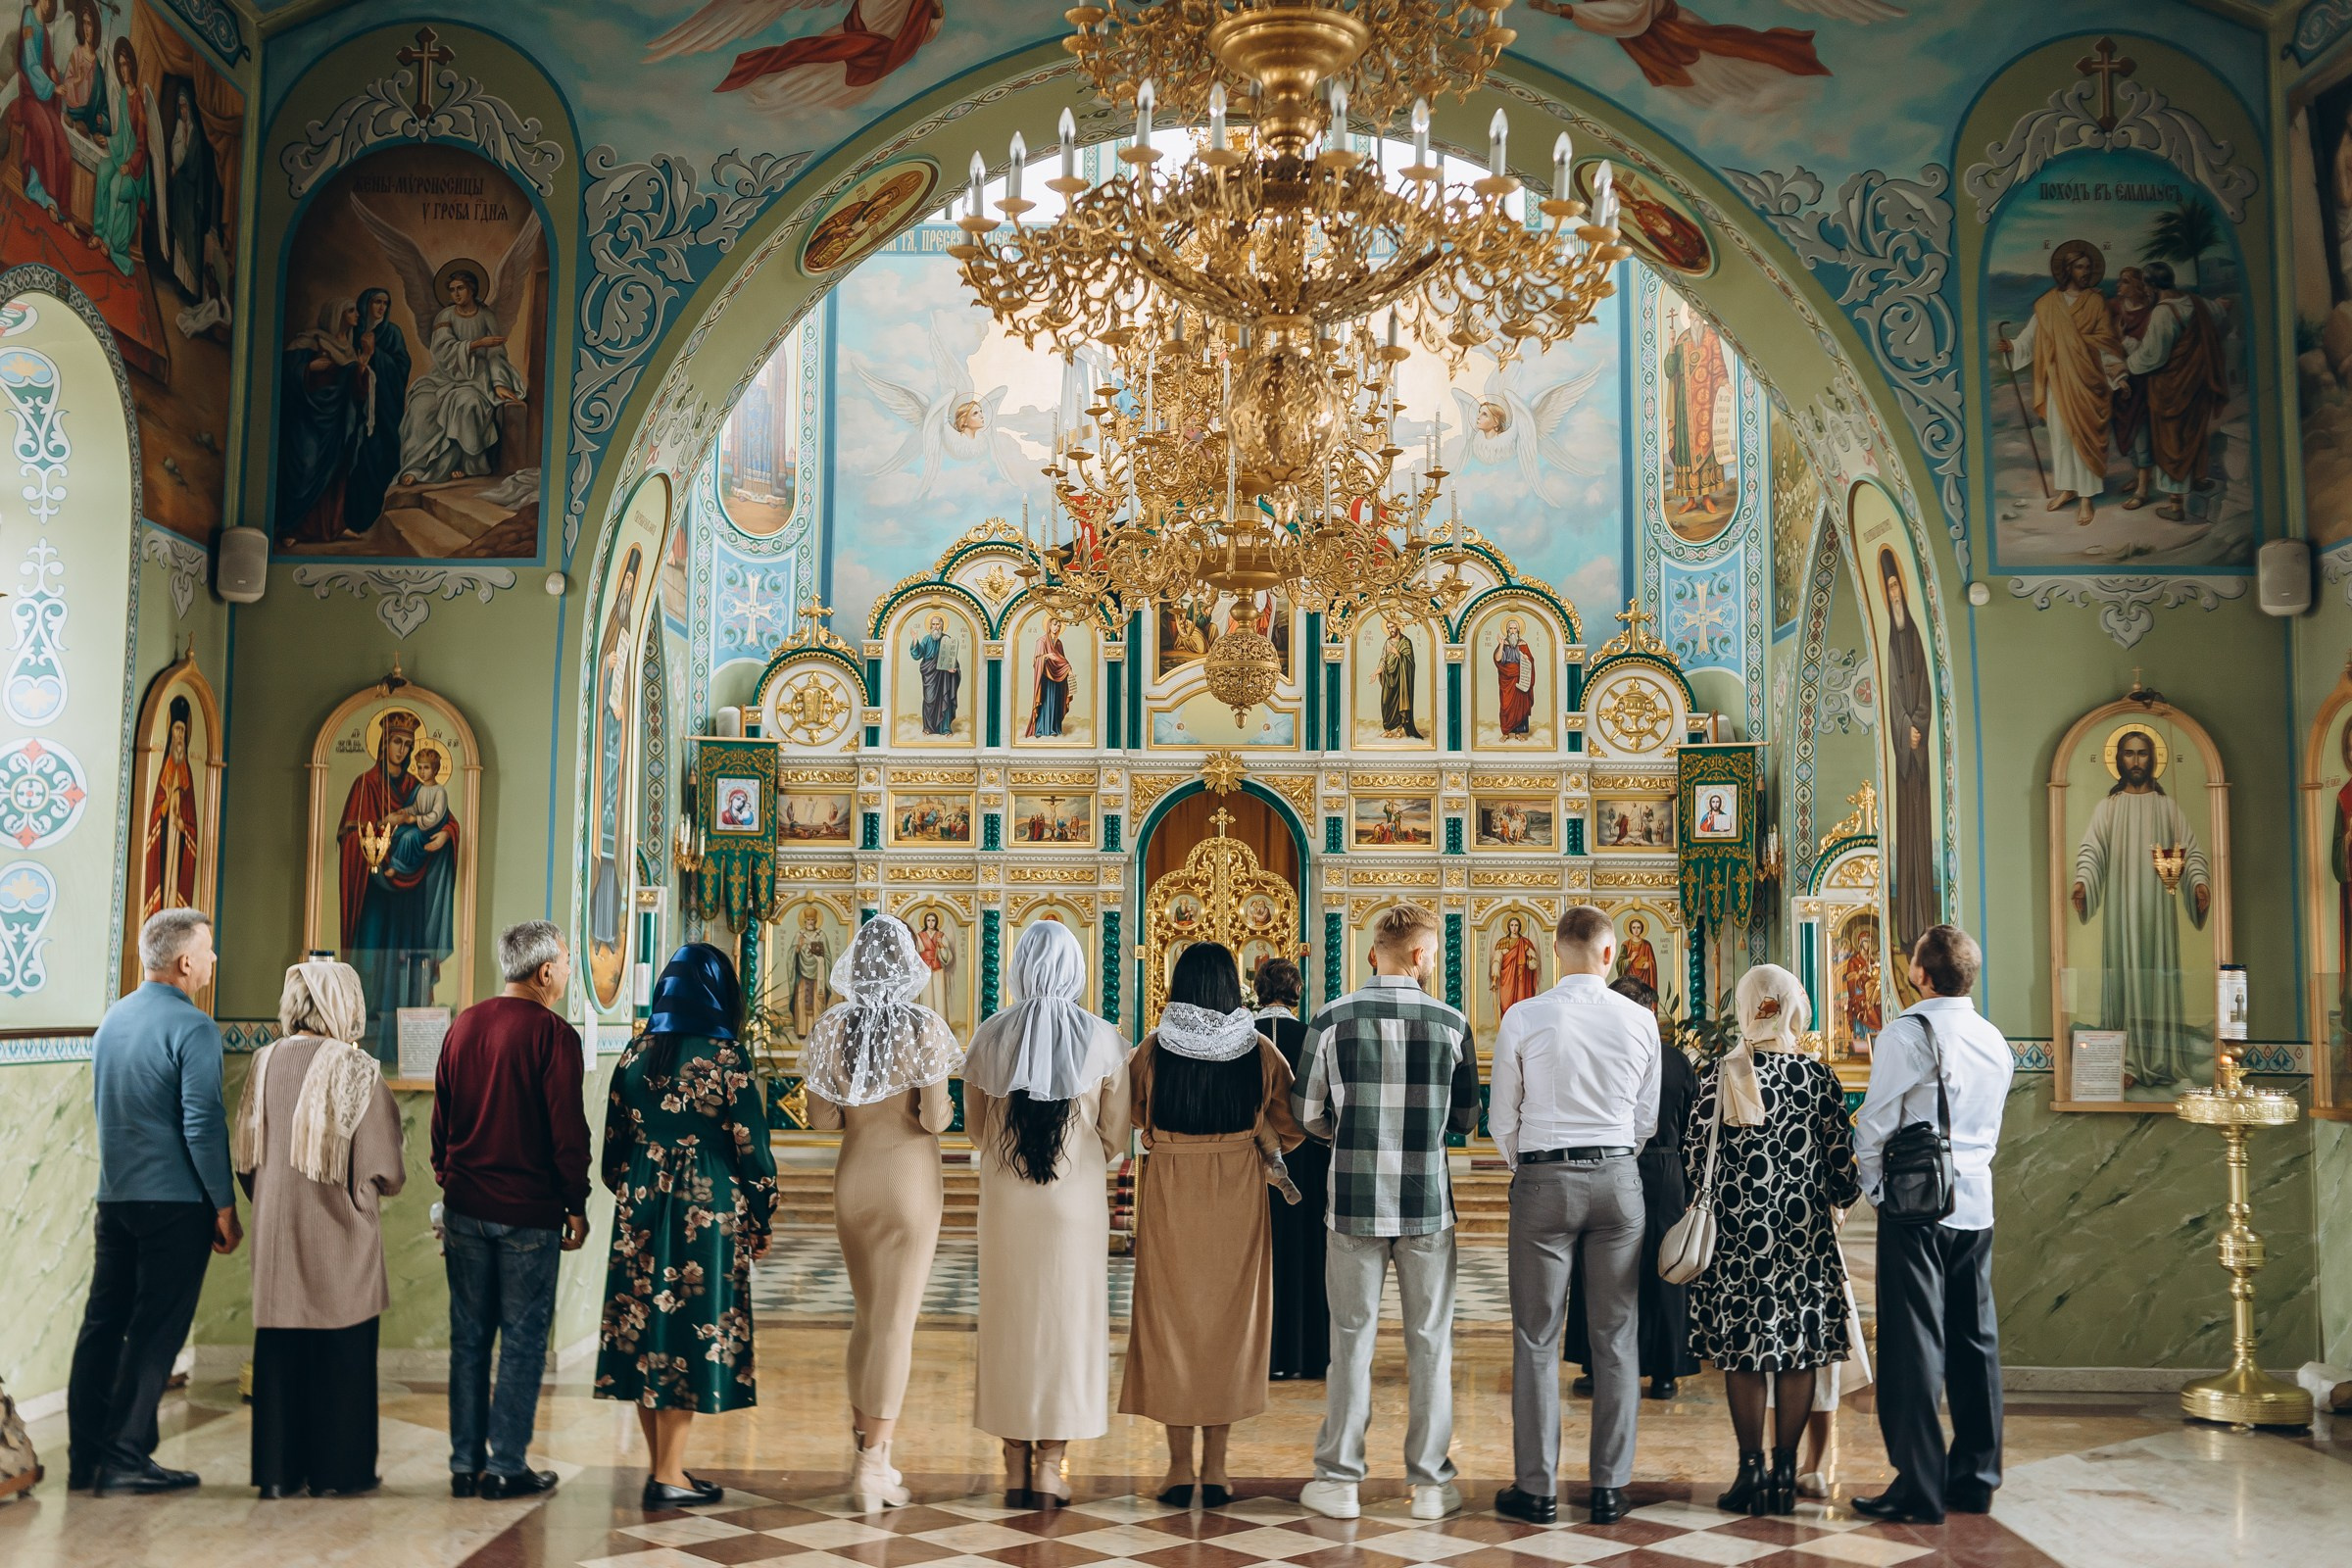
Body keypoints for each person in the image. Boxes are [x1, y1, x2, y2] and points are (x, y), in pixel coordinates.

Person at [1292, 904, 1481, 1523]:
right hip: (1426, 1204)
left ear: (1375, 953)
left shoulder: (1331, 1020)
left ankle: (1340, 1478)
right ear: (1423, 956)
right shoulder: (1452, 1023)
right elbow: (1464, 1120)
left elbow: (1306, 1113)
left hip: (1351, 1201)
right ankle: (1430, 1484)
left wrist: (1347, 1135)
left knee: (1350, 1341)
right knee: (1430, 1342)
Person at [1489, 907, 1661, 1528]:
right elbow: (1646, 1118)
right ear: (1611, 954)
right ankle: (1610, 1489)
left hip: (1543, 1176)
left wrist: (1529, 1164)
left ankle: (1537, 1490)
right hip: (1618, 1179)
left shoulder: (1524, 1015)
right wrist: (1612, 1155)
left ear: (1556, 952)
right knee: (1616, 1337)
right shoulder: (1641, 1020)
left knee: (1536, 1336)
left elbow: (1501, 1116)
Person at [596, 943, 778, 1510]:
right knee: (688, 1334)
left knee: (647, 1331)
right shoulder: (727, 1059)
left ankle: (664, 1468)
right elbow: (753, 1148)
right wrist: (762, 1212)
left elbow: (611, 1150)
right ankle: (669, 1474)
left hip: (641, 1201)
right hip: (710, 1206)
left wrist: (635, 1189)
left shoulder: (634, 1053)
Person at [1121, 943, 1304, 1507]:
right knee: (1230, 1324)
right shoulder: (1259, 1049)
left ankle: (1178, 1469)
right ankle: (1218, 1470)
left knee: (1170, 1321)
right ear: (1232, 987)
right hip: (1237, 1194)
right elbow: (1290, 1120)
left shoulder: (1152, 1050)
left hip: (1172, 1190)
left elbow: (1131, 1111)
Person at [69, 909, 241, 1495]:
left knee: (102, 1324)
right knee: (155, 1332)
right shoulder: (194, 1028)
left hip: (115, 1198)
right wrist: (222, 1203)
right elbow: (202, 1124)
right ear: (185, 961)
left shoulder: (112, 1020)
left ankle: (86, 1458)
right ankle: (124, 1459)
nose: (213, 960)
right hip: (173, 1204)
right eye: (209, 950)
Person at [964, 920, 1133, 1506]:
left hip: (1008, 1200)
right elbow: (1117, 1135)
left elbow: (975, 1130)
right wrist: (1082, 1153)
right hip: (1075, 1200)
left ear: (1020, 966)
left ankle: (1014, 1467)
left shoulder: (990, 1034)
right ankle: (1050, 1468)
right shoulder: (1103, 1038)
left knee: (1010, 1322)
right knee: (1068, 1324)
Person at [801, 915, 964, 1510]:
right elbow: (937, 1118)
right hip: (907, 1183)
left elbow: (820, 1120)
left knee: (867, 1319)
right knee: (896, 1324)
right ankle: (873, 1468)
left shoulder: (832, 1026)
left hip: (852, 1178)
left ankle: (868, 1451)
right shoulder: (922, 1025)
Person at [1852, 926, 2014, 1525]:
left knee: (1912, 1344)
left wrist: (1874, 1189)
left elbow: (1875, 1124)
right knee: (1976, 1340)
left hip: (1918, 1206)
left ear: (1919, 975)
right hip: (1975, 1201)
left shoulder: (1907, 1032)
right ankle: (1975, 1478)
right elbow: (1993, 1125)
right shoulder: (1994, 1039)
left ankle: (1918, 1485)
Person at [1687, 964, 1861, 1518]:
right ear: (1794, 1008)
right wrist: (1833, 1194)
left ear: (1744, 1007)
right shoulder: (1818, 1078)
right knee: (1799, 1352)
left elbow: (1696, 1161)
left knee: (1742, 1356)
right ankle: (1787, 1475)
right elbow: (1842, 1167)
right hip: (1802, 1240)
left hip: (1739, 1242)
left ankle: (1749, 1473)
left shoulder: (1719, 1075)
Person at [231, 959, 406, 1499]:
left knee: (280, 1357)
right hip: (340, 1236)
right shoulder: (357, 1070)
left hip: (277, 1231)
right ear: (343, 1005)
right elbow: (386, 1169)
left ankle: (279, 1474)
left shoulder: (261, 1063)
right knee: (343, 1356)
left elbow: (244, 1157)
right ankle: (340, 1472)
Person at [431, 920, 592, 1500]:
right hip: (529, 1212)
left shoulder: (464, 1025)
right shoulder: (554, 1035)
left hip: (464, 1206)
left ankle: (463, 1464)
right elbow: (566, 1132)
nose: (569, 972)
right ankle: (505, 1466)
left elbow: (441, 1123)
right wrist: (576, 1201)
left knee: (469, 1339)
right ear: (545, 971)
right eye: (568, 963)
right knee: (522, 1341)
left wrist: (451, 1181)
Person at [1564, 975, 1700, 1408]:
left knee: (1602, 1267)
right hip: (1666, 1169)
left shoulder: (1594, 1051)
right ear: (1653, 1012)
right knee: (1665, 1268)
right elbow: (1694, 1127)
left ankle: (1595, 1366)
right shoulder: (1678, 1061)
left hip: (1605, 1162)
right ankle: (1664, 1373)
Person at [2072, 725, 2210, 1089]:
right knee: (2124, 975)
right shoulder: (2108, 808)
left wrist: (2197, 883)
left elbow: (2191, 851)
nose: (2136, 761)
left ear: (2153, 759)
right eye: (2129, 754)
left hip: (2159, 914)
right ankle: (2126, 1062)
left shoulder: (2167, 807)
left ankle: (2164, 1059)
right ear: (2118, 760)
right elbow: (2091, 851)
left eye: (2142, 753)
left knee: (2158, 975)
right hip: (2120, 914)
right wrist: (2083, 883)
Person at [1996, 239, 2124, 527]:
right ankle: (2068, 489)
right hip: (2058, 382)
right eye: (2079, 267)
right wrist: (2013, 348)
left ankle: (2087, 498)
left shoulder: (2095, 303)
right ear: (2068, 270)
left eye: (2089, 267)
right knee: (2062, 438)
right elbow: (2031, 338)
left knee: (2085, 437)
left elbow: (2106, 342)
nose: (2085, 272)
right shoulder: (2048, 304)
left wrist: (2116, 374)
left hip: (2088, 381)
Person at [1255, 959, 1331, 1382]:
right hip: (1307, 1157)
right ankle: (1307, 1354)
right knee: (1305, 1253)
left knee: (1260, 1253)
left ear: (1259, 990)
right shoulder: (1312, 1037)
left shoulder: (1242, 1037)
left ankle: (1261, 1355)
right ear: (1296, 991)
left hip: (1251, 1159)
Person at [2123, 262, 2228, 523]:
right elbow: (2221, 310)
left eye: (2146, 286)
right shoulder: (2196, 301)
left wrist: (2127, 361)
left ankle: (2175, 505)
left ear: (2151, 286)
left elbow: (2152, 357)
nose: (2145, 291)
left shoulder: (2163, 313)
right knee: (2194, 433)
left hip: (2173, 387)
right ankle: (2199, 479)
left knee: (2172, 441)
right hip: (2198, 382)